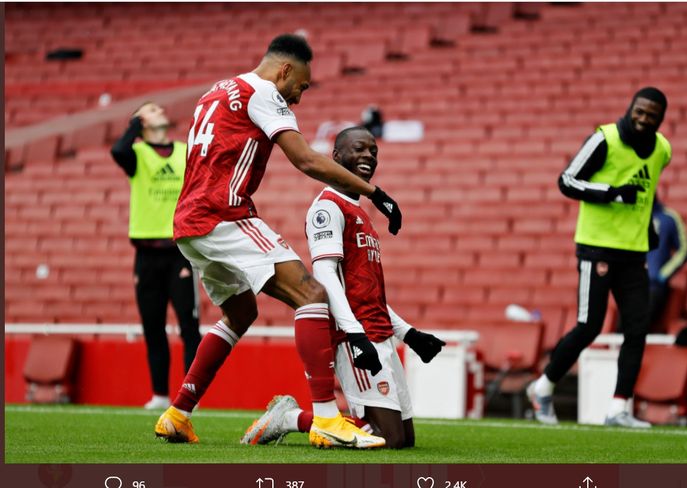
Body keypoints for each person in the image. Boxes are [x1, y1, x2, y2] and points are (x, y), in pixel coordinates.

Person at [154, 34, 403, 448]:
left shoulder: (214, 91)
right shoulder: (265, 92)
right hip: (224, 214)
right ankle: (326, 417)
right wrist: (375, 193)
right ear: (284, 70)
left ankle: (178, 413)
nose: (299, 98)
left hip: (189, 223)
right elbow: (305, 159)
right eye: (301, 86)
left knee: (240, 312)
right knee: (312, 294)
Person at [240, 127, 445, 448]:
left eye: (373, 152)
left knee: (403, 440)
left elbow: (368, 292)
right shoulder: (327, 207)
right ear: (336, 157)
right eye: (358, 149)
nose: (368, 156)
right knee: (387, 440)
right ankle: (291, 418)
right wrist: (354, 333)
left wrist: (408, 334)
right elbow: (324, 275)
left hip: (379, 331)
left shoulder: (360, 211)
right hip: (358, 335)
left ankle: (305, 418)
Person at [527, 87, 672, 428]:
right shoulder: (605, 139)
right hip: (597, 247)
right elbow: (566, 181)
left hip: (634, 251)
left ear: (660, 120)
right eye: (639, 111)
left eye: (651, 115)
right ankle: (543, 387)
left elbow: (647, 192)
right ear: (630, 108)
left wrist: (647, 228)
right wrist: (611, 194)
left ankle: (618, 409)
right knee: (590, 326)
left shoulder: (662, 149)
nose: (643, 118)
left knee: (637, 329)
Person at [110, 102, 202, 410]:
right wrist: (136, 123)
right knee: (153, 327)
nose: (160, 110)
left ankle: (191, 396)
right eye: (151, 109)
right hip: (146, 256)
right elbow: (119, 151)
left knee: (189, 327)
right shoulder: (137, 155)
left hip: (180, 253)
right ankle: (160, 395)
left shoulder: (183, 151)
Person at [647, 197, 687, 327]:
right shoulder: (631, 216)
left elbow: (684, 250)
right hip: (631, 285)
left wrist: (663, 274)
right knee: (622, 329)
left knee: (639, 326)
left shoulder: (669, 217)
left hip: (654, 285)